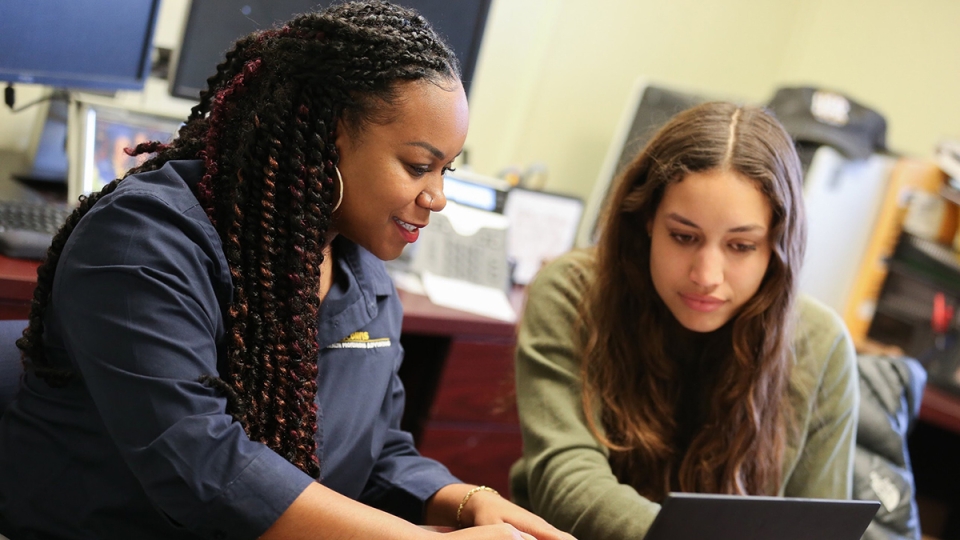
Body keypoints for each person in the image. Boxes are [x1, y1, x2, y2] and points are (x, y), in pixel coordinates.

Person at [0, 3, 575, 540]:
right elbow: (200, 465)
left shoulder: (361, 276)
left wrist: (461, 499)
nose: (438, 197)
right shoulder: (142, 239)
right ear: (328, 140)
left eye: (447, 169)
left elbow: (379, 451)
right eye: (419, 166)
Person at [508, 101, 859, 539]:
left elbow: (820, 527)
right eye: (684, 237)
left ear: (777, 246)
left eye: (741, 246)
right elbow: (567, 483)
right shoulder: (572, 293)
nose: (706, 276)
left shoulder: (821, 343)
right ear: (647, 219)